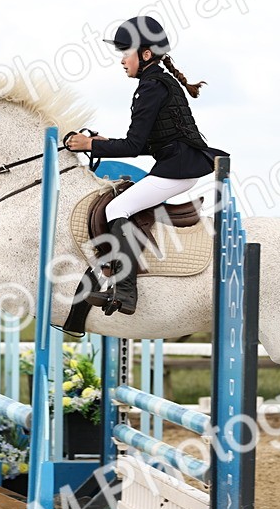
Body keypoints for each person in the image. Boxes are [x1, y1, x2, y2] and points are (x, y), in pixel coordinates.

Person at [66, 16, 228, 315]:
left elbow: (132, 147)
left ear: (145, 54)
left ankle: (126, 292)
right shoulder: (157, 82)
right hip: (179, 164)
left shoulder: (151, 87)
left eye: (125, 54)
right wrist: (103, 141)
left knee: (116, 209)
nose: (122, 61)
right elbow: (141, 144)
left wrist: (91, 145)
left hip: (177, 170)